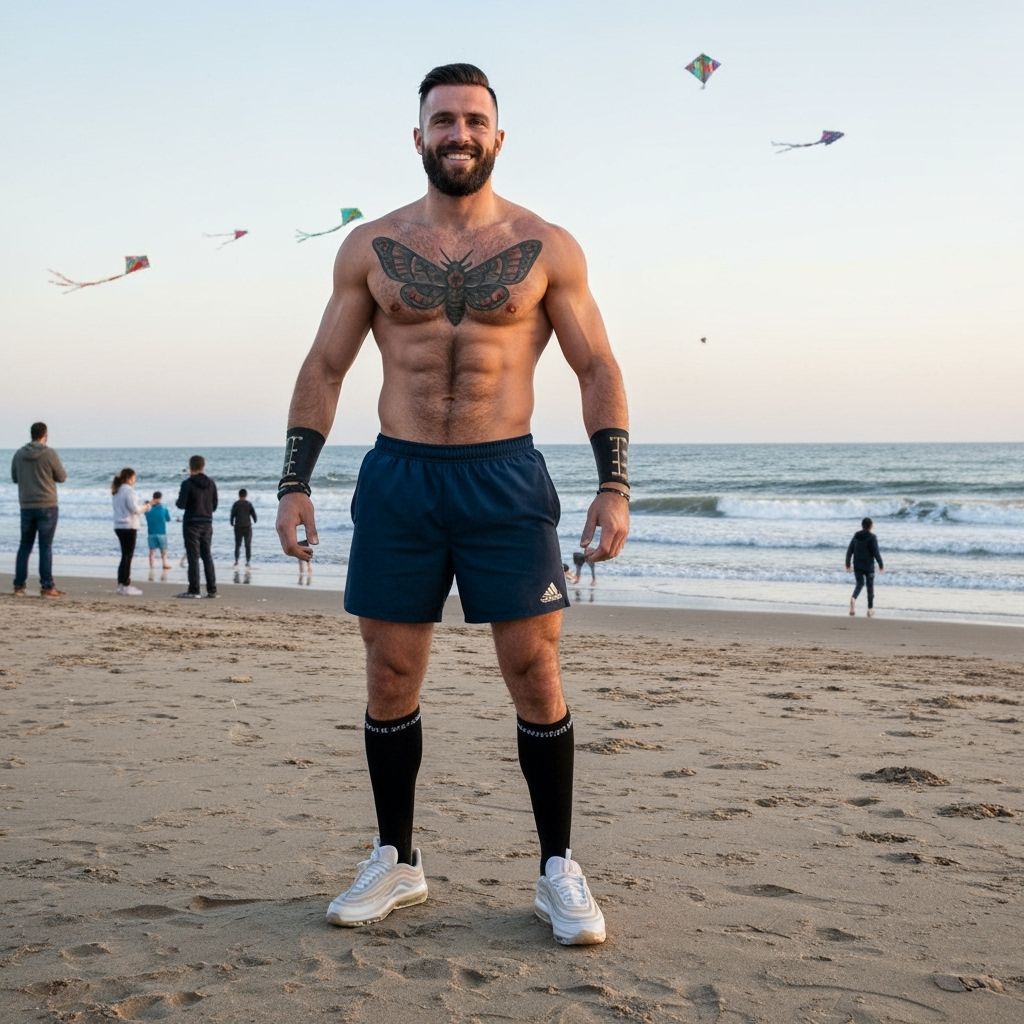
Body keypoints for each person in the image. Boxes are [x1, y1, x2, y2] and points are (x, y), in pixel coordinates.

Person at [275, 64, 629, 946]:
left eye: (474, 120)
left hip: (504, 478)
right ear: (419, 136)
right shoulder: (371, 246)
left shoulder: (548, 246)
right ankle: (396, 858)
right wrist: (293, 482)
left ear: (498, 137)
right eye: (443, 121)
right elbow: (326, 367)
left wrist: (613, 484)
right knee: (391, 674)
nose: (459, 133)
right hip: (400, 480)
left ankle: (557, 870)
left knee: (534, 673)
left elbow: (597, 369)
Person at [12, 422, 67, 598]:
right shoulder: (49, 453)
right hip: (47, 505)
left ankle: (19, 586)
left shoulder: (19, 454)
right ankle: (47, 586)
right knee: (45, 546)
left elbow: (14, 477)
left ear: (31, 434)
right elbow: (61, 477)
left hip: (27, 505)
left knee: (25, 546)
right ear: (45, 434)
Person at [175, 455, 218, 599]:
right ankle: (212, 590)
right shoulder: (211, 483)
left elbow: (181, 504)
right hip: (207, 522)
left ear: (190, 466)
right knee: (207, 556)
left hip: (192, 523)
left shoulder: (187, 484)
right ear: (203, 466)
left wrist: (180, 500)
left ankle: (194, 590)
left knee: (193, 557)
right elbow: (215, 505)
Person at [111, 468, 151, 595]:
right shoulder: (129, 491)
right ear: (129, 478)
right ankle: (125, 585)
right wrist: (147, 507)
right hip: (128, 526)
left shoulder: (117, 490)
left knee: (125, 556)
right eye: (134, 477)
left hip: (119, 525)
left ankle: (121, 584)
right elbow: (135, 509)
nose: (135, 480)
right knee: (128, 556)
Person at [846, 516, 884, 617]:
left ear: (862, 526)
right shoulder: (872, 537)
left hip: (857, 565)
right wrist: (881, 564)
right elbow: (876, 552)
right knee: (870, 587)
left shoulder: (856, 536)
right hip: (869, 566)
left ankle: (853, 599)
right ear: (871, 526)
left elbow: (850, 550)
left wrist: (848, 564)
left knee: (860, 584)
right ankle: (870, 609)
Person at [144, 491, 173, 571]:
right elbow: (168, 519)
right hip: (161, 533)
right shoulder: (164, 509)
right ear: (160, 498)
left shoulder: (147, 509)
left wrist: (149, 503)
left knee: (152, 551)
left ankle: (151, 566)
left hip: (151, 533)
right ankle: (164, 564)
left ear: (153, 498)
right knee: (163, 550)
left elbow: (143, 509)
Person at [230, 488, 258, 568]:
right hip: (247, 527)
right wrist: (255, 520)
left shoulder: (236, 504)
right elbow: (253, 514)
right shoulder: (248, 504)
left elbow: (232, 514)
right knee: (248, 545)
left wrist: (231, 522)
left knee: (237, 545)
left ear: (239, 495)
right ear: (246, 495)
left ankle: (236, 561)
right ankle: (248, 562)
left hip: (238, 527)